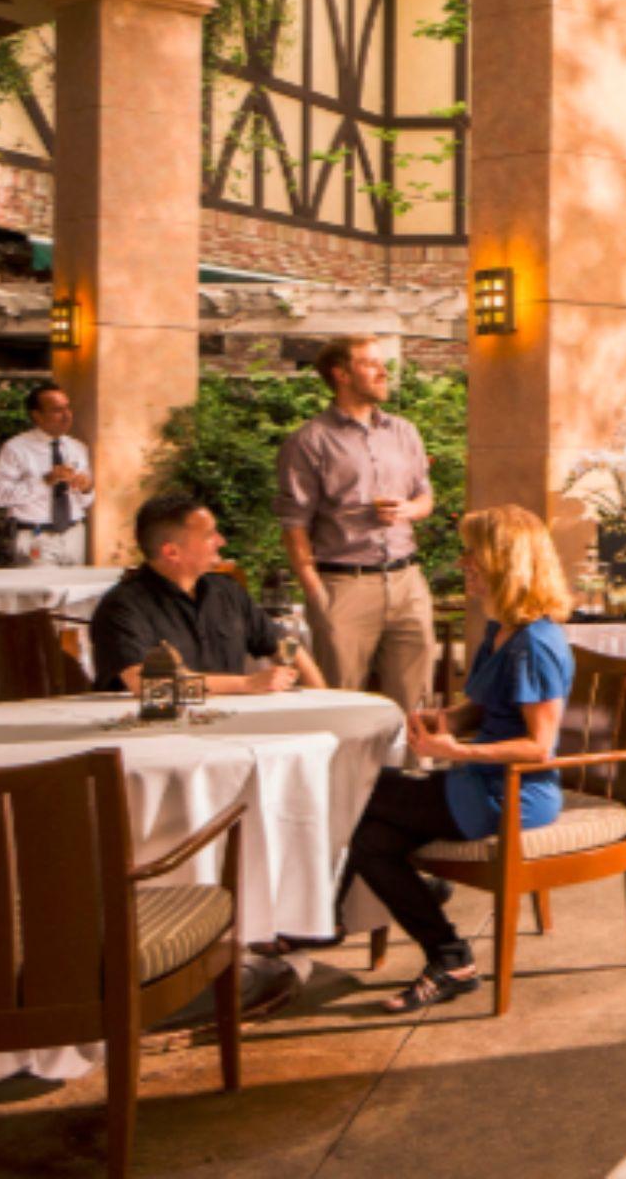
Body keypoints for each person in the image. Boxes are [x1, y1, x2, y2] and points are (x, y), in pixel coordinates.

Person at [340, 505, 575, 1013]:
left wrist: (456, 750)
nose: (464, 561)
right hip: (478, 782)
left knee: (355, 792)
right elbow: (488, 707)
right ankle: (451, 959)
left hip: (511, 795)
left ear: (501, 561)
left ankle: (321, 920)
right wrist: (449, 718)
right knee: (371, 839)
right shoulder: (502, 631)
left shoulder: (536, 644)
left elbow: (538, 747)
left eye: (472, 552)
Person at [276, 336, 438, 710]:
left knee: (415, 700)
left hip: (407, 580)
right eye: (370, 364)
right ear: (342, 374)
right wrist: (316, 593)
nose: (384, 372)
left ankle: (414, 770)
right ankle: (348, 771)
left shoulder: (404, 432)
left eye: (381, 363)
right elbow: (293, 522)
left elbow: (425, 498)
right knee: (340, 702)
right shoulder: (309, 441)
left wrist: (409, 510)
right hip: (344, 585)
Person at [90, 495, 327, 695]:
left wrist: (323, 700)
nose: (221, 541)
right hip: (151, 734)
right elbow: (146, 684)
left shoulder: (227, 592)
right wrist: (245, 684)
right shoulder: (123, 606)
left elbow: (286, 644)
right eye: (209, 535)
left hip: (231, 727)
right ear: (172, 552)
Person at [0, 382, 93, 567]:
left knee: (75, 592)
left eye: (67, 408)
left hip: (73, 534)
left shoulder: (77, 448)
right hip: (36, 535)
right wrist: (44, 481)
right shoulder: (16, 449)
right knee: (41, 592)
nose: (66, 415)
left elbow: (86, 501)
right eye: (57, 410)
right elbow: (0, 497)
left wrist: (86, 489)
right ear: (36, 415)